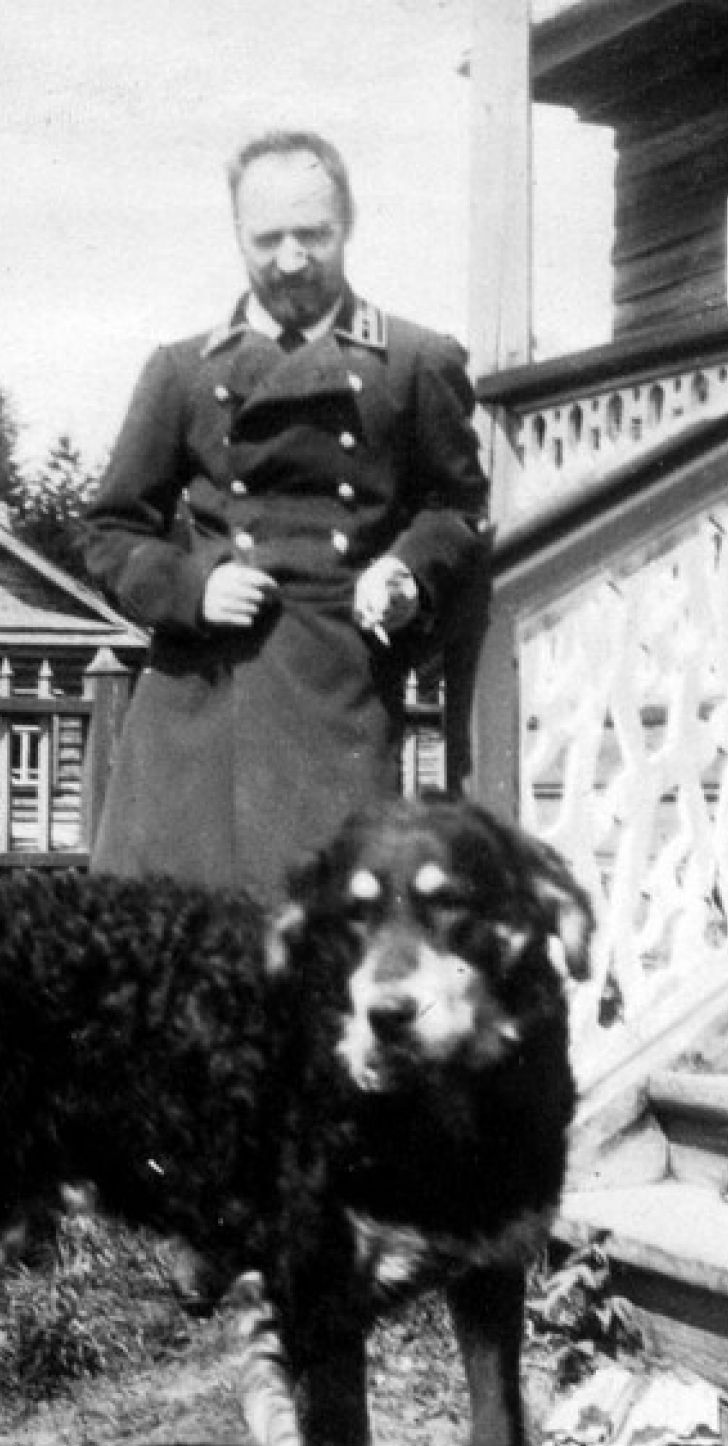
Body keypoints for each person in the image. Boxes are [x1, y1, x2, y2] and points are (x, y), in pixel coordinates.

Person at [82, 129, 490, 899]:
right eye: (268, 238)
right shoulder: (182, 372)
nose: (292, 259)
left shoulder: (413, 361)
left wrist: (407, 571)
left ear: (349, 225)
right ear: (237, 234)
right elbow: (109, 530)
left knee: (323, 940)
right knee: (171, 955)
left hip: (339, 693)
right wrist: (190, 589)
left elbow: (457, 508)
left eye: (314, 234)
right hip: (198, 705)